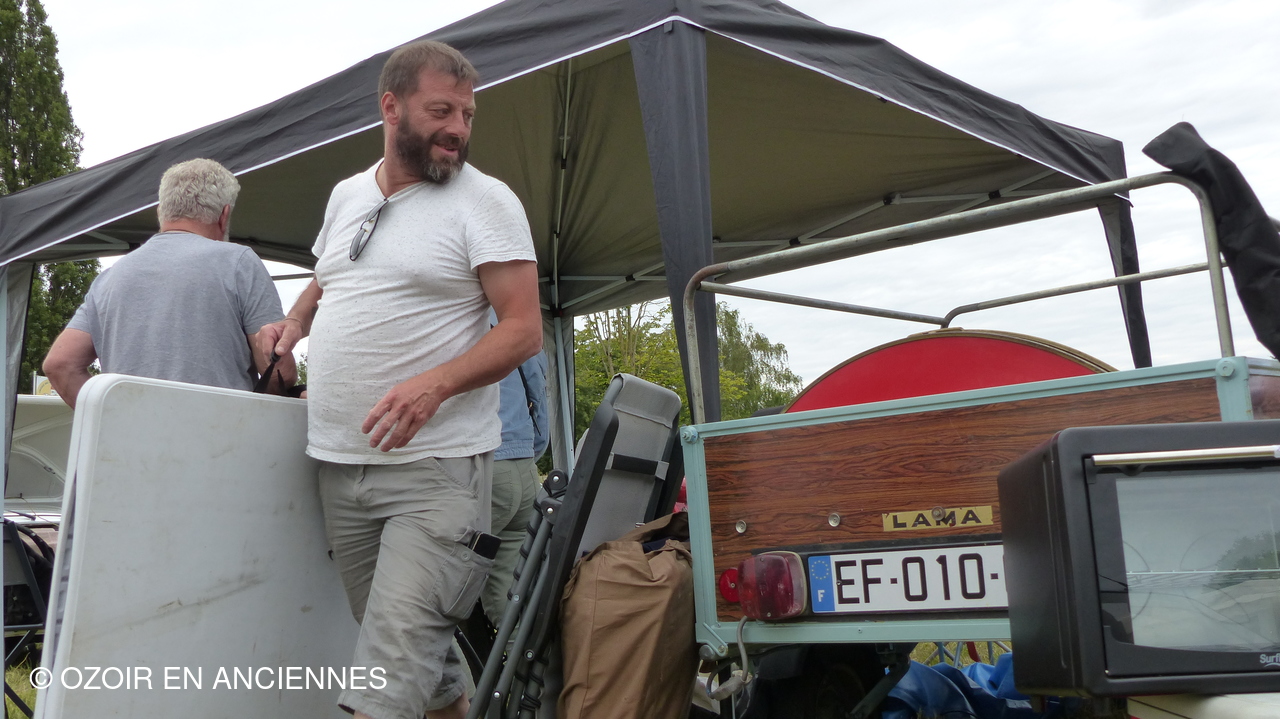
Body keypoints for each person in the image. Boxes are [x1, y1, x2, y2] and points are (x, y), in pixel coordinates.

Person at [257, 40, 540, 719]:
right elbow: (329, 275)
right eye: (442, 111)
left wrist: (434, 384)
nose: (458, 129)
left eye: (467, 115)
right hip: (339, 467)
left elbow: (523, 329)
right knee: (427, 673)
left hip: (435, 475)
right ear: (391, 107)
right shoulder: (347, 195)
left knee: (384, 688)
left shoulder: (487, 201)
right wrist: (292, 323)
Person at [43, 158, 293, 406]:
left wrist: (110, 417)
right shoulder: (239, 263)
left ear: (161, 211)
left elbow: (59, 365)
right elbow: (277, 374)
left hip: (129, 432)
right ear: (224, 215)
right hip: (218, 430)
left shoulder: (108, 279)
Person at [483, 346, 549, 622]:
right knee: (509, 591)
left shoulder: (454, 327)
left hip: (480, 465)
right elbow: (539, 399)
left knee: (434, 578)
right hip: (523, 467)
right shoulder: (519, 330)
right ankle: (512, 646)